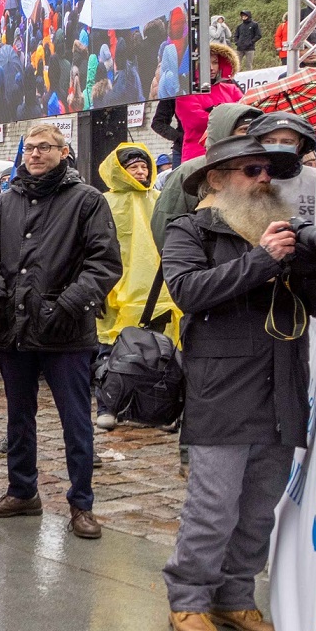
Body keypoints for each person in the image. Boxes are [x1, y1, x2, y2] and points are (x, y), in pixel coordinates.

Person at [160, 135, 316, 631]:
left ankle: (235, 596)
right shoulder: (190, 229)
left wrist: (313, 262)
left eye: (270, 171)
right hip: (221, 390)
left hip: (282, 383)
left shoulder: (288, 234)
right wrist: (262, 261)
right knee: (214, 504)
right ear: (216, 179)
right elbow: (189, 292)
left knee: (260, 506)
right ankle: (190, 597)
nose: (264, 179)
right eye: (250, 170)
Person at [0, 125, 122, 540]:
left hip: (66, 330)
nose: (35, 154)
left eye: (45, 148)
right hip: (14, 327)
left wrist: (70, 304)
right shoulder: (5, 203)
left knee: (75, 420)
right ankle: (22, 490)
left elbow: (104, 264)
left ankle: (82, 503)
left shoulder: (87, 201)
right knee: (18, 417)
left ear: (64, 152)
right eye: (30, 148)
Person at [94, 143, 178, 431]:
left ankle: (163, 406)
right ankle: (108, 405)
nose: (141, 171)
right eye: (133, 167)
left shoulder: (160, 199)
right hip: (116, 289)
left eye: (144, 166)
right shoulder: (103, 202)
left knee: (164, 352)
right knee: (112, 353)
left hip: (158, 288)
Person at [152, 103, 263, 248]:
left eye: (256, 132)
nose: (251, 137)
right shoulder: (189, 171)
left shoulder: (264, 170)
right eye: (244, 130)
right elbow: (164, 226)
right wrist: (183, 260)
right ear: (223, 132)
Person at [251, 112, 316, 225]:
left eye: (287, 142)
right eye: (269, 141)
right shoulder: (247, 179)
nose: (277, 146)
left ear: (300, 144)